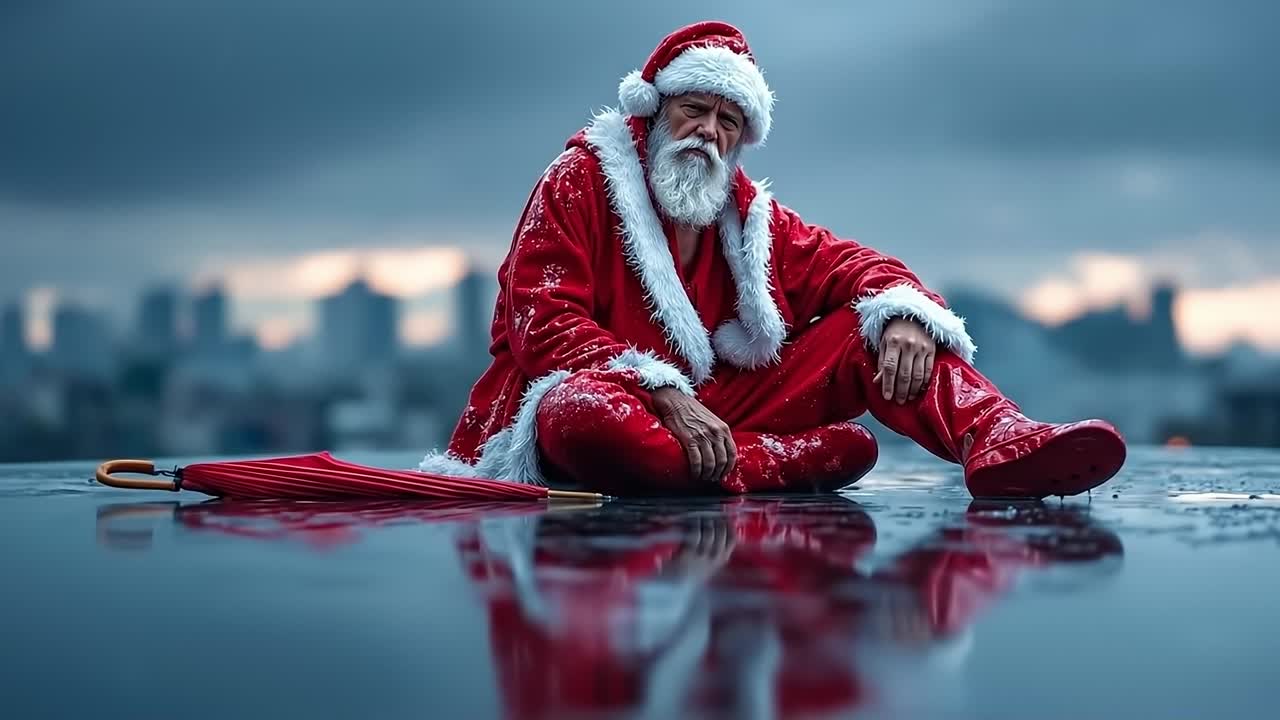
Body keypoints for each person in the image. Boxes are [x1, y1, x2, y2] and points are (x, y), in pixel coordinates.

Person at [420, 20, 1127, 498]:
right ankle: (774, 462)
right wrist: (660, 392)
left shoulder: (749, 218)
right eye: (694, 110)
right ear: (651, 114)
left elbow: (856, 265)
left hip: (720, 411)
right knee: (576, 416)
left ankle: (997, 437)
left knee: (872, 328)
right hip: (614, 403)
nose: (708, 132)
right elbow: (540, 323)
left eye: (729, 122)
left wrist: (905, 316)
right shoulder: (578, 180)